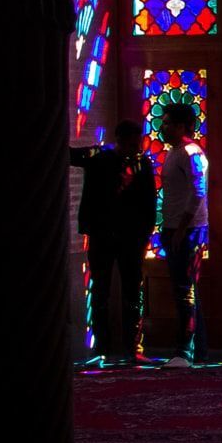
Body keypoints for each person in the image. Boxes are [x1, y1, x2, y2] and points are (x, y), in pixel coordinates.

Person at [70, 120, 156, 365]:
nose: (134, 148)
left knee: (132, 292)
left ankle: (133, 348)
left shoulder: (143, 164)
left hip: (131, 238)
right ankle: (102, 349)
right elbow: (69, 155)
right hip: (102, 235)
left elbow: (150, 201)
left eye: (137, 143)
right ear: (118, 140)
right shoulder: (99, 157)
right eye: (130, 143)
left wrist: (145, 233)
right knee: (100, 293)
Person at [157, 102, 210, 367]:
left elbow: (198, 192)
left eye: (167, 123)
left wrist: (181, 229)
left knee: (184, 290)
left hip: (188, 230)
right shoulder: (174, 152)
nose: (162, 127)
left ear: (181, 126)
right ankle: (197, 350)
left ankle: (184, 351)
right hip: (175, 228)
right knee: (186, 290)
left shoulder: (191, 153)